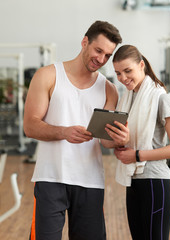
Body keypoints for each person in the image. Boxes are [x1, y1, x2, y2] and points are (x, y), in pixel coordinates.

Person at [23, 21, 129, 240]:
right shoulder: (47, 76)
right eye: (98, 50)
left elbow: (106, 141)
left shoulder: (109, 90)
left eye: (107, 55)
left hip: (90, 182)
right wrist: (63, 132)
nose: (101, 59)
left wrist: (120, 139)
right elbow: (30, 126)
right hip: (51, 178)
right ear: (84, 42)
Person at [111, 45, 170, 240]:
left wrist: (136, 155)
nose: (123, 78)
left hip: (156, 182)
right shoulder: (128, 98)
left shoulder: (159, 97)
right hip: (134, 182)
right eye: (118, 73)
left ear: (141, 65)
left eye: (128, 71)